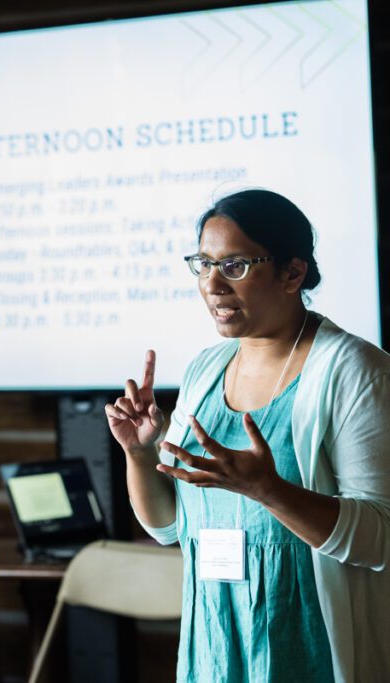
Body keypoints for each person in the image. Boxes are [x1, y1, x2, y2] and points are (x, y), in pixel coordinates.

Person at [105, 189, 390, 682]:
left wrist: (269, 490)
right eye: (203, 264)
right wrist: (138, 453)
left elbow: (381, 537)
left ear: (292, 274)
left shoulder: (354, 370)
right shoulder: (205, 370)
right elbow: (171, 528)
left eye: (234, 266)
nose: (212, 285)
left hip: (311, 646)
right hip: (215, 642)